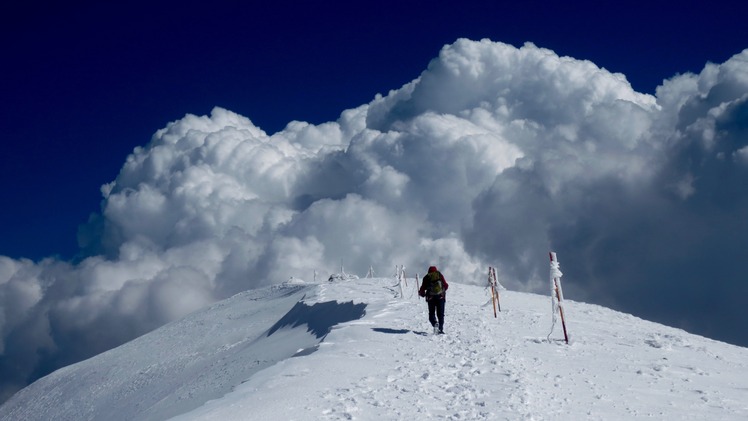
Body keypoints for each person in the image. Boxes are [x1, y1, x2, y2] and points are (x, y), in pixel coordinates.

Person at [419, 265, 449, 334]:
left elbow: (422, 290)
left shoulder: (426, 277)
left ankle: (435, 323)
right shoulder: (439, 275)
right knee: (440, 314)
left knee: (431, 314)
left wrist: (422, 294)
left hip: (431, 298)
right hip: (441, 297)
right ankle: (440, 329)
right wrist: (442, 291)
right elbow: (446, 285)